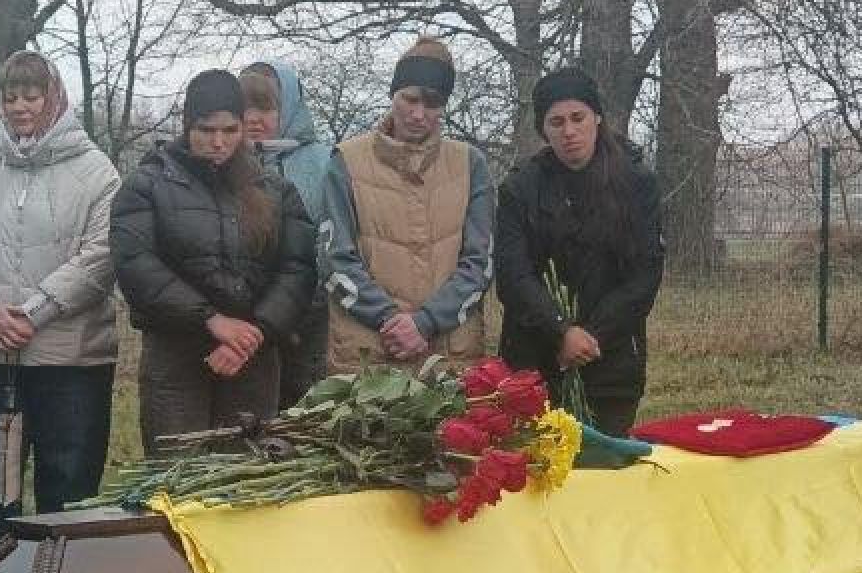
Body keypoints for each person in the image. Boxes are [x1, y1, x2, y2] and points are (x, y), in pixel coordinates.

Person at [0, 51, 122, 568]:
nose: (20, 107)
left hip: (71, 361)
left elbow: (101, 255)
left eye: (31, 96)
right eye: (10, 97)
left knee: (68, 488)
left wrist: (32, 312)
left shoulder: (97, 174)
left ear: (54, 98)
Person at [110, 69, 318, 451]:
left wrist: (253, 333)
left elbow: (298, 269)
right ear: (188, 126)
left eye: (229, 130)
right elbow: (136, 265)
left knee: (243, 474)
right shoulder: (147, 185)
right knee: (176, 472)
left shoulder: (275, 190)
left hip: (253, 358)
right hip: (175, 359)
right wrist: (211, 320)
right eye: (206, 130)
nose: (218, 142)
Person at [494, 66, 666, 437]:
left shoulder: (637, 184)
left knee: (603, 464)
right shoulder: (519, 189)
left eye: (578, 118)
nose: (569, 131)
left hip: (611, 360)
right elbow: (513, 277)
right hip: (535, 361)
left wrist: (589, 337)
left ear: (597, 118)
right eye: (556, 122)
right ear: (543, 129)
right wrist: (560, 331)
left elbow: (644, 274)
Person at [321, 35, 492, 374]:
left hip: (450, 355)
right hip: (367, 354)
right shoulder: (346, 161)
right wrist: (389, 319)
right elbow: (334, 258)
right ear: (393, 95)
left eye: (432, 103)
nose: (418, 114)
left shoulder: (471, 164)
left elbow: (480, 262)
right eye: (409, 99)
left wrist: (427, 322)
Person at [240, 58, 332, 406]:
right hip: (244, 319)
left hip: (311, 315)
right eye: (244, 108)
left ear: (289, 108)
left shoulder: (323, 163)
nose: (253, 119)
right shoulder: (223, 161)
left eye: (265, 108)